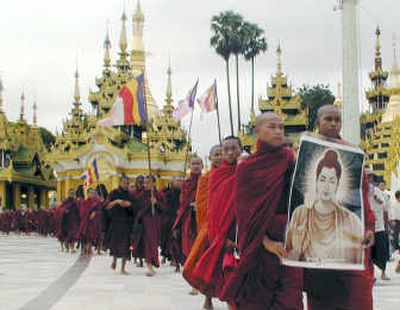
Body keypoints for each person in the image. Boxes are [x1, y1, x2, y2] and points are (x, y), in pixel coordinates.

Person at [220, 112, 303, 310]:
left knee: (290, 298)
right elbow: (244, 212)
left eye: (281, 127)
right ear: (257, 131)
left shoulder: (289, 160)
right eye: (272, 127)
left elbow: (300, 199)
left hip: (291, 239)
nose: (278, 132)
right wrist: (265, 242)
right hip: (261, 244)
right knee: (258, 299)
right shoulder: (247, 168)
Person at [300, 105, 375, 310]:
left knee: (357, 295)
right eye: (328, 119)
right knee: (321, 297)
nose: (334, 124)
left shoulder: (352, 153)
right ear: (317, 123)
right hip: (317, 241)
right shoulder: (306, 153)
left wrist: (368, 226)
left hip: (348, 239)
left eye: (337, 120)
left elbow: (362, 195)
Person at [286, 149, 363, 264]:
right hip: (307, 277)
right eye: (322, 180)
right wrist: (297, 248)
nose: (326, 187)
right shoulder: (300, 215)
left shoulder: (351, 221)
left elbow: (357, 261)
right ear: (316, 181)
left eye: (332, 181)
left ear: (337, 185)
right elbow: (289, 259)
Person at [182, 144, 223, 310]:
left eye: (223, 153)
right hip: (211, 227)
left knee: (228, 266)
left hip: (230, 227)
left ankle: (230, 300)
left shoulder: (234, 174)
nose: (220, 157)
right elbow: (202, 205)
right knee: (210, 266)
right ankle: (208, 298)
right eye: (217, 154)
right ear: (211, 158)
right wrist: (205, 228)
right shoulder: (206, 179)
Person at [133, 175, 165, 276]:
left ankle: (152, 263)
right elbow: (137, 207)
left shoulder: (159, 194)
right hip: (145, 223)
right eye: (144, 183)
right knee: (148, 245)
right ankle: (149, 266)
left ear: (154, 183)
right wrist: (147, 203)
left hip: (155, 222)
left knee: (154, 244)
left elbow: (165, 208)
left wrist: (156, 203)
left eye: (148, 183)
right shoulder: (141, 195)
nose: (145, 185)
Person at [172, 156, 203, 261]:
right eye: (193, 164)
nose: (196, 166)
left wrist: (200, 204)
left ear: (202, 166)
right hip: (189, 217)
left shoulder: (207, 180)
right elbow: (183, 202)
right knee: (189, 245)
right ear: (189, 166)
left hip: (203, 217)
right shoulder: (186, 184)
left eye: (198, 164)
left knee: (202, 244)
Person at [104, 175, 136, 275]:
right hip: (116, 222)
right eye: (124, 183)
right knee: (115, 244)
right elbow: (106, 206)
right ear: (120, 183)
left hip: (127, 223)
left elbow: (136, 207)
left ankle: (123, 268)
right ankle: (114, 260)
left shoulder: (130, 195)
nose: (126, 185)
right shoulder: (114, 193)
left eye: (127, 183)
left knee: (125, 246)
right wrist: (116, 201)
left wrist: (129, 205)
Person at [370, 180, 390, 280]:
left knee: (382, 252)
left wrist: (386, 225)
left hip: (379, 227)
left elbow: (385, 210)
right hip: (368, 228)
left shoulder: (381, 193)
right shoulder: (363, 192)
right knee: (369, 253)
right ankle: (371, 275)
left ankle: (383, 273)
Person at [79, 188, 103, 255]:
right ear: (87, 194)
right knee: (86, 236)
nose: (92, 194)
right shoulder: (84, 202)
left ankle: (92, 249)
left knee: (93, 236)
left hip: (95, 222)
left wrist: (95, 212)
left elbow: (100, 211)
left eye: (93, 193)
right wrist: (88, 213)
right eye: (91, 193)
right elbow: (82, 212)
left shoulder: (97, 202)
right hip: (86, 221)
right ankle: (85, 249)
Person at [391, 190, 400, 272]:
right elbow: (393, 213)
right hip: (397, 222)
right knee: (396, 237)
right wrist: (393, 220)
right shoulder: (394, 204)